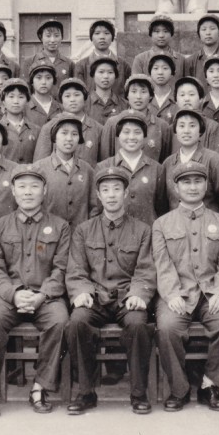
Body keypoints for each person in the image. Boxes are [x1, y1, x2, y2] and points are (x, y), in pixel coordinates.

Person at [0, 167, 70, 418]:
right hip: (7, 297)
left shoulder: (60, 226)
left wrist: (43, 295)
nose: (28, 192)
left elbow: (62, 268)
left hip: (45, 296)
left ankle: (40, 387)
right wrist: (14, 294)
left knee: (60, 321)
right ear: (13, 191)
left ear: (45, 190)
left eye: (34, 186)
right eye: (22, 186)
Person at [66, 166, 156, 415]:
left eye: (117, 189)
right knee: (77, 322)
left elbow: (146, 269)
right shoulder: (84, 230)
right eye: (105, 190)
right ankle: (86, 392)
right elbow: (76, 269)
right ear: (98, 195)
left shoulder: (142, 230)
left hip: (127, 297)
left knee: (138, 324)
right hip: (95, 297)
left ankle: (138, 393)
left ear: (126, 193)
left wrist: (138, 294)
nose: (111, 195)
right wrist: (81, 291)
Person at [152, 161, 219, 411]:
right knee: (167, 328)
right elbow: (161, 264)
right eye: (186, 182)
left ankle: (210, 384)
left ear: (206, 185)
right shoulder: (162, 224)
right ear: (176, 188)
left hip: (211, 292)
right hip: (178, 293)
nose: (192, 187)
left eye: (198, 181)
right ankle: (179, 390)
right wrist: (171, 294)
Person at [96, 111, 167, 225]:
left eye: (137, 132)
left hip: (148, 232)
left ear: (144, 136)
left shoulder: (157, 169)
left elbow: (161, 208)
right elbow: (97, 208)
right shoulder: (103, 167)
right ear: (118, 135)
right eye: (126, 132)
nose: (131, 137)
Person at [163, 109, 219, 219]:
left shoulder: (215, 160)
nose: (186, 131)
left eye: (192, 126)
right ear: (175, 130)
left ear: (200, 130)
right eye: (181, 126)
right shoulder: (168, 163)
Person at [32, 114, 98, 227]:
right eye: (64, 133)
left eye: (74, 134)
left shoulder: (87, 170)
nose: (69, 139)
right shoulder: (39, 168)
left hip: (80, 234)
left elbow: (95, 208)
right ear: (54, 137)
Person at [100, 75, 172, 163]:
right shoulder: (113, 123)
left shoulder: (162, 126)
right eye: (133, 91)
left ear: (150, 96)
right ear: (127, 95)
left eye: (143, 92)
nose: (138, 96)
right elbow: (106, 160)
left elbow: (164, 163)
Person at [34, 78, 103, 167]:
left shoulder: (98, 129)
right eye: (67, 96)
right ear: (61, 100)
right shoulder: (49, 127)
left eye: (77, 95)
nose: (72, 99)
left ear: (85, 98)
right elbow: (39, 166)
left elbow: (103, 165)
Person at [171, 76, 219, 158]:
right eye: (182, 95)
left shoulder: (213, 127)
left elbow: (218, 160)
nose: (186, 99)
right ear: (176, 101)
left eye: (191, 94)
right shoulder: (171, 128)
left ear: (201, 99)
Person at [74, 20, 131, 98]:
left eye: (106, 33)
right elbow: (78, 93)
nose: (102, 37)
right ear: (91, 38)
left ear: (112, 37)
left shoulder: (123, 65)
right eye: (97, 33)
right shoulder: (81, 65)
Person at [21, 18, 74, 96]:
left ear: (61, 38)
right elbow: (25, 91)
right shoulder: (30, 62)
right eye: (48, 36)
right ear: (41, 38)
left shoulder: (69, 64)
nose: (52, 40)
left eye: (56, 36)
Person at [184, 15, 219, 86]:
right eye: (204, 29)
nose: (208, 33)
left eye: (212, 28)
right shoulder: (190, 61)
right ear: (199, 33)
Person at [131, 15, 185, 81]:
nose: (161, 35)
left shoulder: (182, 60)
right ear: (150, 34)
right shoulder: (140, 59)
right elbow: (136, 84)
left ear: (171, 34)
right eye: (157, 31)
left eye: (165, 31)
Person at [0, 78, 40, 164]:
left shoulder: (36, 130)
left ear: (27, 101)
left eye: (21, 97)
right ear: (3, 101)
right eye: (11, 96)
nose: (16, 101)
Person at [85, 57, 127, 126]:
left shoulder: (125, 105)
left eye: (110, 72)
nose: (106, 76)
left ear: (115, 76)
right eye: (101, 72)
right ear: (93, 75)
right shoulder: (84, 105)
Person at [148, 53, 178, 122]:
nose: (160, 72)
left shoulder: (178, 99)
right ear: (150, 73)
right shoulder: (146, 99)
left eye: (165, 68)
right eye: (156, 68)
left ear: (172, 73)